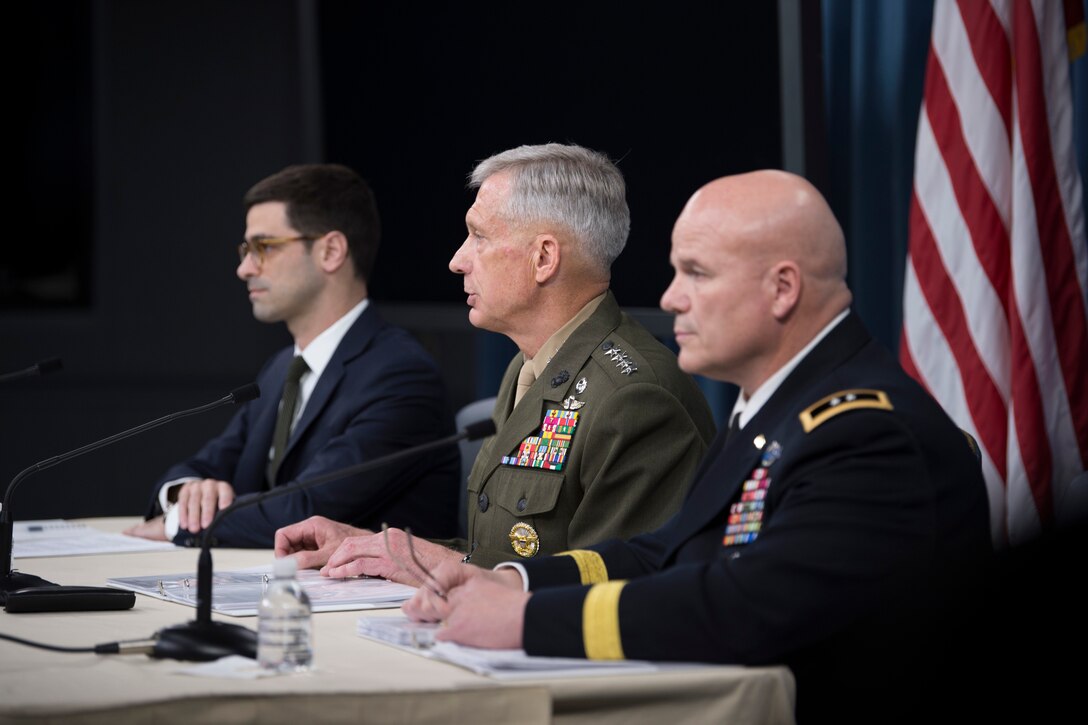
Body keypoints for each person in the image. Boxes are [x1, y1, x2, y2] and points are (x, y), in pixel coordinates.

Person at [401, 170, 994, 723]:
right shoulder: (773, 407)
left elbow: (745, 607)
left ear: (783, 288)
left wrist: (527, 621)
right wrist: (513, 582)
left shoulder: (866, 433)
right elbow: (668, 552)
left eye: (698, 273)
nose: (671, 298)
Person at [275, 143, 717, 575]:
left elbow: (615, 587)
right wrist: (379, 547)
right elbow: (499, 553)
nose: (456, 260)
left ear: (543, 258)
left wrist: (435, 562)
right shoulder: (528, 367)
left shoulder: (636, 397)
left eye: (479, 236)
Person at [125, 163, 460, 547]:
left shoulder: (401, 376)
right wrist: (186, 493)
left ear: (331, 251)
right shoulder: (282, 368)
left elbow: (307, 509)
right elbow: (210, 464)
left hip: (372, 604)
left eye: (263, 247)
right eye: (245, 249)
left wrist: (176, 525)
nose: (244, 268)